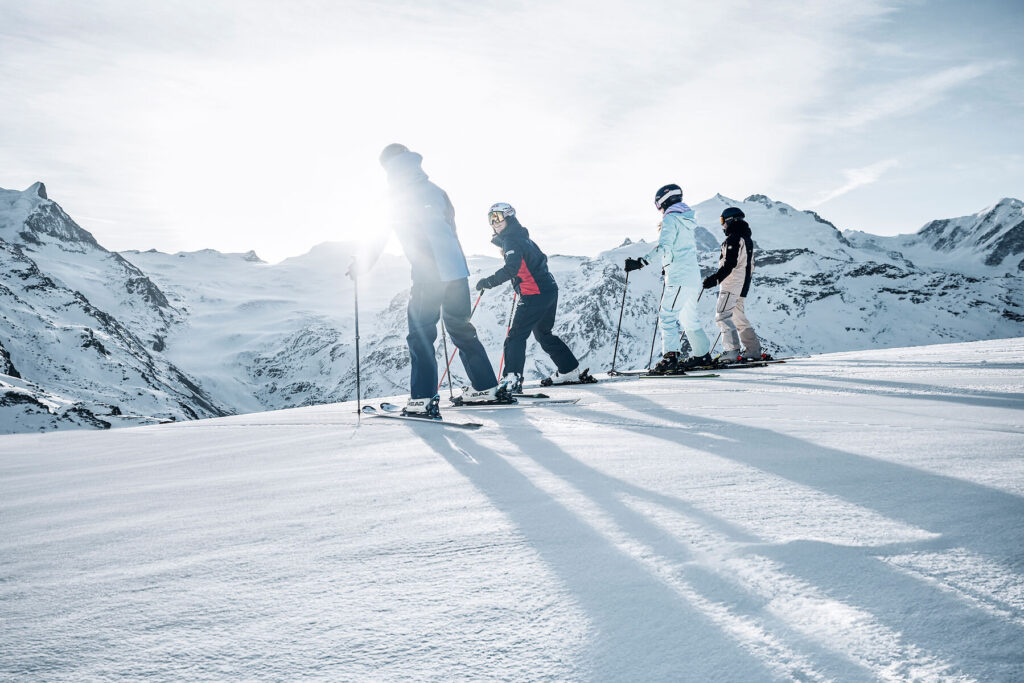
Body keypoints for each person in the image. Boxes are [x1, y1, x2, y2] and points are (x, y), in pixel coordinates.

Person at [352, 143, 510, 418]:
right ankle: (486, 387)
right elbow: (452, 229)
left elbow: (377, 236)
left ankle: (423, 399)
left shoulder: (394, 195)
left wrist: (361, 265)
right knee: (461, 330)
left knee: (421, 334)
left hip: (428, 274)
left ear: (387, 166)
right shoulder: (438, 192)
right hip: (457, 272)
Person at [475, 203, 592, 391]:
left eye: (497, 217)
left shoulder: (511, 240)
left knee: (515, 336)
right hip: (548, 290)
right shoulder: (522, 238)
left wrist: (489, 282)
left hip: (534, 293)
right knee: (543, 333)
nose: (493, 222)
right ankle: (568, 369)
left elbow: (512, 268)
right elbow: (536, 262)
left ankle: (511, 379)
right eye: (490, 219)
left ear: (509, 216)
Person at [624, 184, 712, 373]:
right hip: (691, 276)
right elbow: (679, 248)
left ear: (663, 201)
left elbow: (664, 246)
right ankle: (702, 355)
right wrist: (667, 264)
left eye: (658, 205)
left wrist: (640, 262)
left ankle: (670, 358)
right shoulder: (686, 220)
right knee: (689, 318)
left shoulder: (671, 219)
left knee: (667, 316)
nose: (659, 210)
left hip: (679, 276)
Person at [702, 207, 766, 363]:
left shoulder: (734, 238)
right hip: (742, 285)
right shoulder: (746, 239)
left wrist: (715, 279)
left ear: (731, 220)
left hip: (732, 284)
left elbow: (730, 263)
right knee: (738, 317)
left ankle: (731, 351)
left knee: (722, 315)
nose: (722, 225)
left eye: (723, 221)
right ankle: (753, 350)